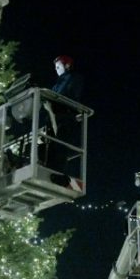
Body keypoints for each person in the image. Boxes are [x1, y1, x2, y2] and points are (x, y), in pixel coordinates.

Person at [43, 55, 85, 184]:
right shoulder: (57, 83)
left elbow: (66, 94)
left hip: (65, 117)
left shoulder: (73, 78)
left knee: (60, 146)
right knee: (50, 146)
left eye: (58, 66)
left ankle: (57, 172)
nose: (56, 69)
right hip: (54, 118)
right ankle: (48, 169)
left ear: (67, 65)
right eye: (55, 67)